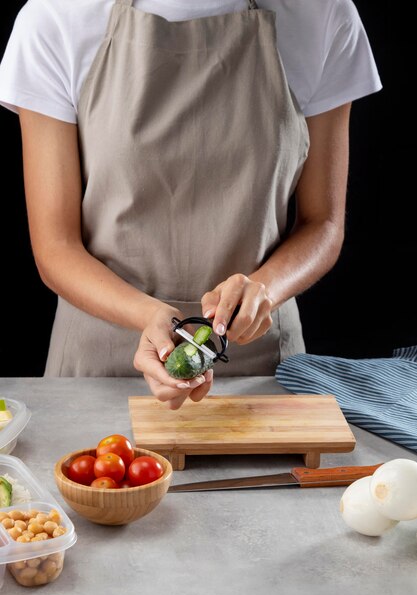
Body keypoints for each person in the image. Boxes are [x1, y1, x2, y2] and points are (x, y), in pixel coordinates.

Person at [0, 0, 381, 409]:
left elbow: (322, 224)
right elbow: (55, 247)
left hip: (263, 376)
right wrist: (147, 315)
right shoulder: (56, 18)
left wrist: (265, 288)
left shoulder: (322, 15)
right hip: (98, 368)